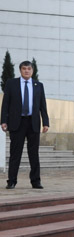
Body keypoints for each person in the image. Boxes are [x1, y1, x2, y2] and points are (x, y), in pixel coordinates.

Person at [1, 60, 49, 189]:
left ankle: (36, 181)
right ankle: (11, 181)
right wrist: (3, 121)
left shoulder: (38, 85)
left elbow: (42, 105)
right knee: (15, 153)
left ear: (32, 71)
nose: (26, 71)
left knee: (34, 153)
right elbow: (5, 103)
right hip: (17, 123)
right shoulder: (12, 84)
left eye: (29, 69)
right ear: (20, 70)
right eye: (24, 69)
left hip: (33, 122)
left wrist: (46, 122)